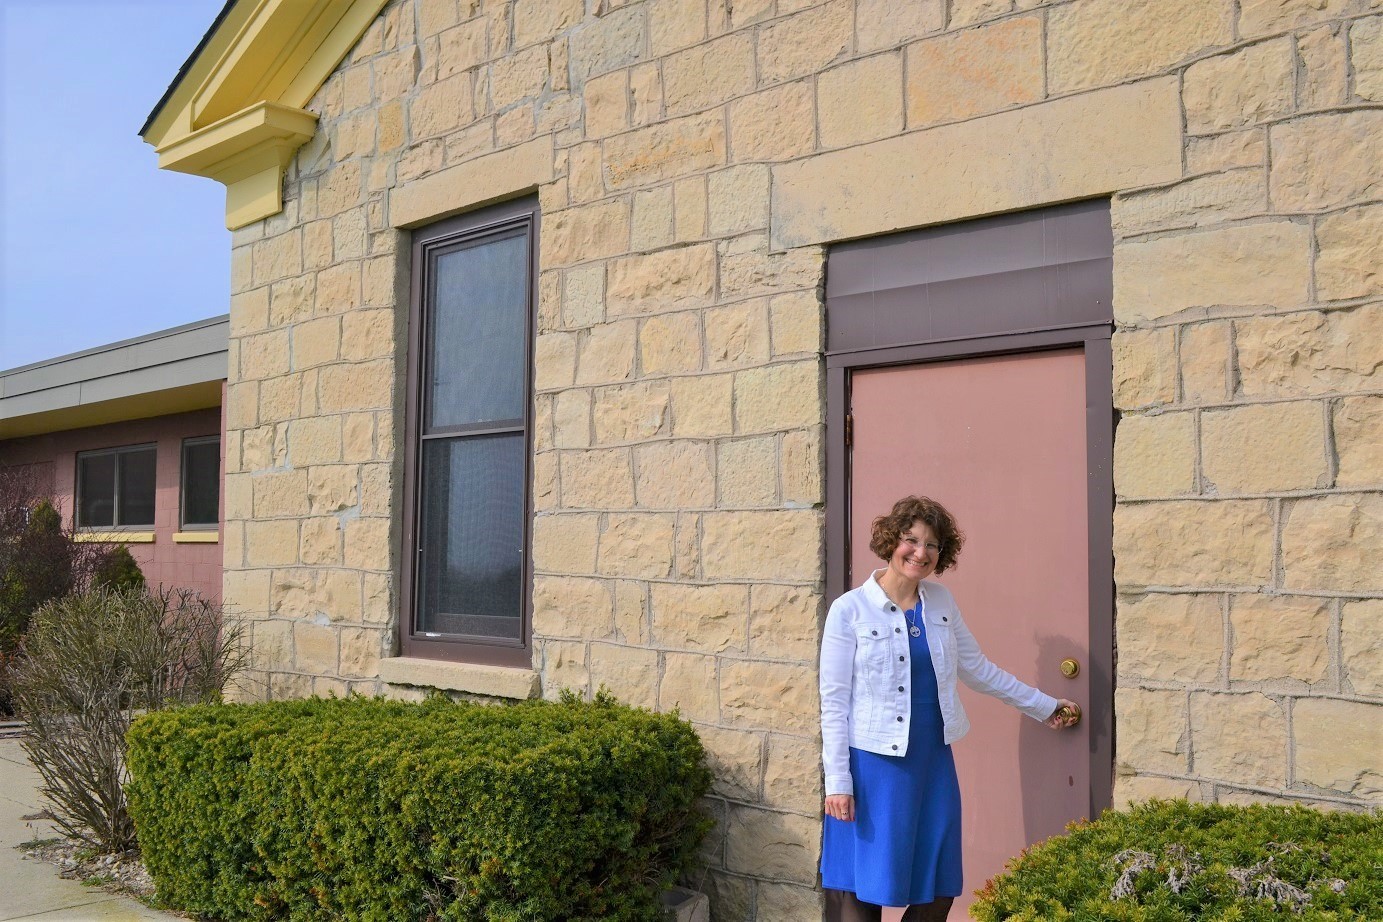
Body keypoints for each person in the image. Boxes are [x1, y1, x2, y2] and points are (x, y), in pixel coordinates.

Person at [819, 495, 1079, 921]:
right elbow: (833, 703)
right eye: (911, 540)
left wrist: (1043, 705)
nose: (920, 553)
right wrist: (838, 783)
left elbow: (977, 669)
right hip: (873, 766)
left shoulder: (940, 603)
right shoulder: (849, 610)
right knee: (863, 890)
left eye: (932, 545)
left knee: (939, 888)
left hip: (932, 760)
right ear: (891, 541)